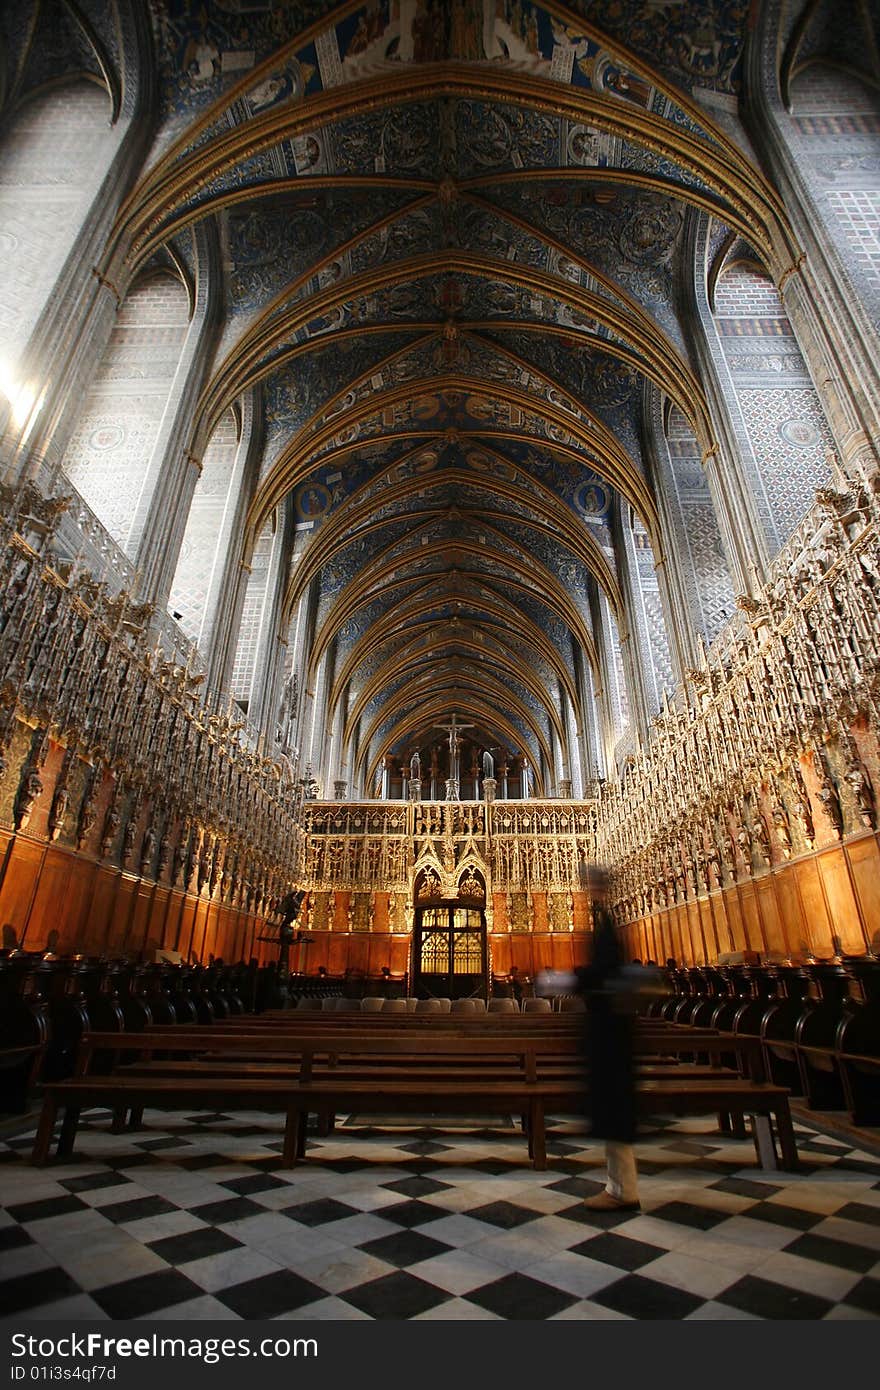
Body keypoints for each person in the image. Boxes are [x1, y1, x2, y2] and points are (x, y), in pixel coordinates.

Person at [576, 869, 640, 1211]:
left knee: (614, 1110)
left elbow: (605, 976)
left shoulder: (606, 926)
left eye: (590, 884)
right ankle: (620, 1186)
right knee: (614, 1112)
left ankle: (622, 1189)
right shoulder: (604, 922)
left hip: (611, 1034)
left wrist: (576, 981)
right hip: (610, 1032)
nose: (588, 890)